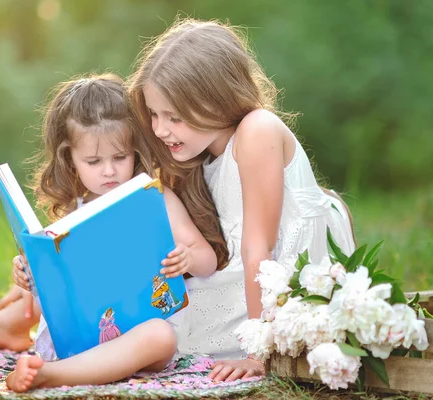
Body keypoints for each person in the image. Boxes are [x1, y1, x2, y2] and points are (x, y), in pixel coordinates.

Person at [128, 18, 356, 382]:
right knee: (144, 309)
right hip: (248, 278)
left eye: (174, 116)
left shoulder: (257, 130)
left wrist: (256, 350)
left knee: (160, 329)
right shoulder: (201, 157)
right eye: (154, 114)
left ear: (217, 100)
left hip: (280, 282)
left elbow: (258, 249)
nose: (159, 129)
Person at [6, 73, 218, 392]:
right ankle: (60, 363)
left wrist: (187, 258)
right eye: (93, 161)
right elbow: (59, 286)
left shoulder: (156, 198)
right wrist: (30, 276)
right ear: (70, 160)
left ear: (136, 149)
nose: (109, 170)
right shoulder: (72, 212)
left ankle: (52, 375)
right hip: (83, 334)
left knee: (160, 337)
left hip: (142, 330)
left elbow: (208, 260)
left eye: (120, 157)